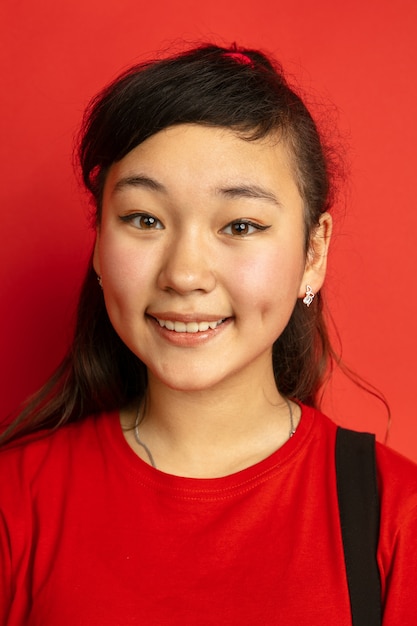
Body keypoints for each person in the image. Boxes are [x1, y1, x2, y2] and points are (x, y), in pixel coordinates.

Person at [1, 43, 416, 625]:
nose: (184, 275)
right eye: (144, 219)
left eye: (240, 225)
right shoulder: (16, 504)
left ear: (313, 251)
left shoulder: (399, 518)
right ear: (99, 242)